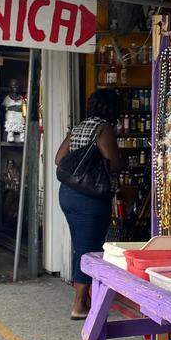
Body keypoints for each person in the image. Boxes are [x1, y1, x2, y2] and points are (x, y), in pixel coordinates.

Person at [55, 90, 121, 319]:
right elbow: (113, 163)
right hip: (90, 198)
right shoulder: (104, 129)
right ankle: (79, 304)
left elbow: (58, 158)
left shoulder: (78, 127)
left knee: (80, 246)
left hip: (68, 194)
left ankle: (85, 297)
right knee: (89, 249)